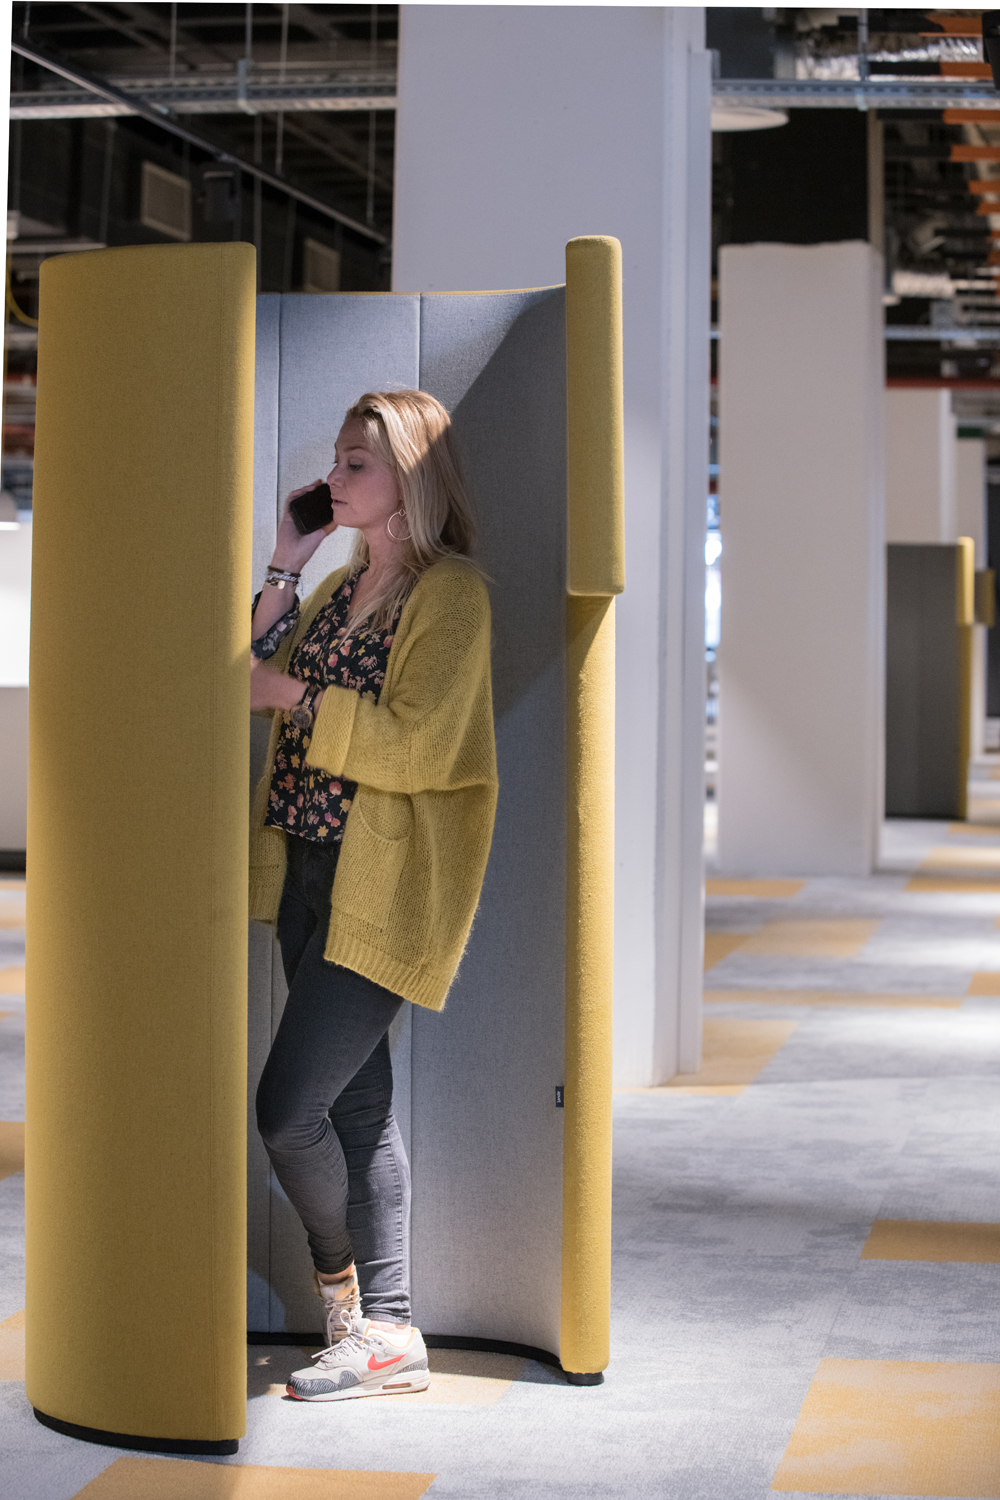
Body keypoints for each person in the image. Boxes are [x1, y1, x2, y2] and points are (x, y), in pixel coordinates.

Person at [248, 390, 498, 1402]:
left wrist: (294, 696)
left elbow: (424, 747)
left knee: (286, 1113)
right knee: (356, 1109)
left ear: (411, 478)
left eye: (357, 462)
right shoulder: (338, 585)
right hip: (310, 873)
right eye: (337, 459)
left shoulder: (450, 594)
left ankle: (346, 1301)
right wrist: (286, 559)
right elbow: (245, 668)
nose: (333, 476)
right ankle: (388, 1335)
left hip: (385, 884)